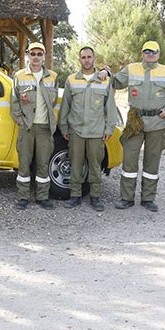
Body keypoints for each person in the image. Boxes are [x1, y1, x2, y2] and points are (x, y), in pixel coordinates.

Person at [107, 40, 165, 212]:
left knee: (152, 161)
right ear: (142, 53)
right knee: (129, 160)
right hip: (135, 122)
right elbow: (115, 82)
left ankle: (148, 198)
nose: (150, 54)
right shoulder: (131, 68)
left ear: (158, 54)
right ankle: (126, 198)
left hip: (157, 123)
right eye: (147, 51)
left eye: (154, 51)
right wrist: (105, 72)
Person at [58, 46, 117, 212]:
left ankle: (95, 197)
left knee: (95, 165)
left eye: (89, 57)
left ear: (94, 59)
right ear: (79, 60)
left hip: (97, 132)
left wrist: (109, 128)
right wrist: (63, 127)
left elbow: (110, 107)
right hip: (76, 131)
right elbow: (65, 106)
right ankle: (75, 195)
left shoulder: (105, 80)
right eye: (83, 57)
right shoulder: (71, 80)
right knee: (75, 164)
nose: (86, 60)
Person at [10, 42, 58, 210]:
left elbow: (53, 103)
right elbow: (14, 103)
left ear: (44, 56)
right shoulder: (20, 76)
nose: (36, 57)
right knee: (24, 163)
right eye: (33, 53)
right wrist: (23, 123)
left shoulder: (52, 76)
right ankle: (23, 197)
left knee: (43, 164)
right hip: (27, 128)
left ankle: (42, 197)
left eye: (39, 54)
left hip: (45, 128)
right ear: (28, 55)